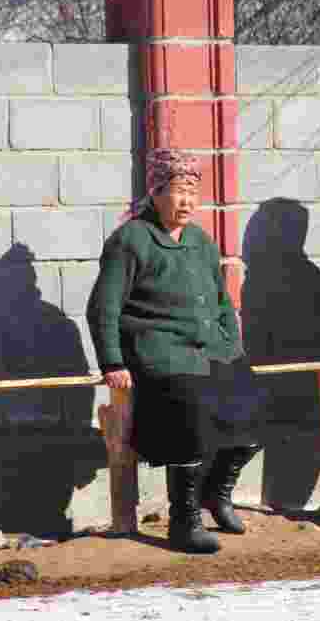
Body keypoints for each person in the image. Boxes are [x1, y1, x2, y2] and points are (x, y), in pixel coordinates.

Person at [86, 149, 267, 554]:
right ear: (156, 193)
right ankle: (183, 522)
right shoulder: (131, 239)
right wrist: (112, 361)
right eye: (176, 191)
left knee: (252, 407)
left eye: (192, 191)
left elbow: (222, 302)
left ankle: (217, 495)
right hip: (160, 352)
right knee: (190, 412)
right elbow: (104, 306)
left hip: (209, 350)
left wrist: (232, 349)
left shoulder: (201, 241)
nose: (186, 201)